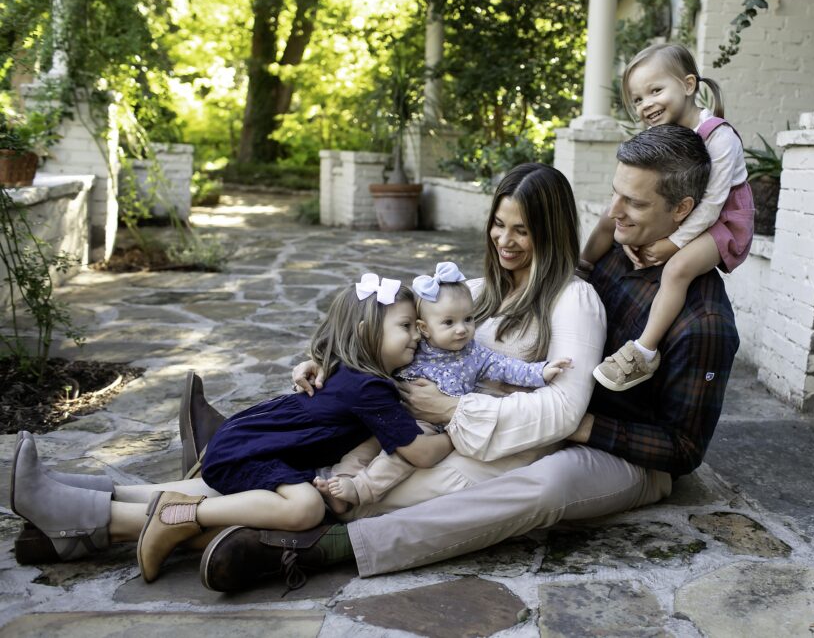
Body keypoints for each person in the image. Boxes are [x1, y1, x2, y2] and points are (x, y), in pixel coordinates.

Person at [199, 124, 739, 591]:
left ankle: (323, 539)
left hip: (618, 449)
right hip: (537, 416)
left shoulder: (702, 323)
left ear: (682, 210)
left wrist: (562, 426)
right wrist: (327, 356)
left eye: (634, 203)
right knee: (391, 414)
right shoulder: (621, 249)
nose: (614, 213)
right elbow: (439, 311)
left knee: (528, 482)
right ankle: (259, 451)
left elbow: (684, 448)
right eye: (616, 195)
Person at [8, 275, 453, 584]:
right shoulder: (372, 387)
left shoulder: (353, 369)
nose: (416, 335)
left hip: (250, 441)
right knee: (304, 508)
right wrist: (457, 430)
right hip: (257, 448)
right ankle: (177, 516)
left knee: (227, 496)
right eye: (404, 327)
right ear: (365, 333)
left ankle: (70, 494)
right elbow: (417, 453)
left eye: (417, 326)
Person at [317, 260, 572, 514]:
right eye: (449, 323)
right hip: (394, 415)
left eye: (468, 319)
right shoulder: (415, 347)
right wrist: (318, 363)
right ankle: (339, 480)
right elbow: (378, 349)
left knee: (398, 459)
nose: (462, 330)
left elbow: (508, 367)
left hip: (428, 424)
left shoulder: (476, 355)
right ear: (424, 328)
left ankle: (361, 490)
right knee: (366, 446)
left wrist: (540, 372)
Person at [582, 43, 754, 392]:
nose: (647, 105)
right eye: (638, 99)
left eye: (656, 91)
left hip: (725, 221)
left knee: (677, 270)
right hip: (690, 211)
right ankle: (580, 268)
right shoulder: (666, 132)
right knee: (606, 218)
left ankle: (643, 352)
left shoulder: (719, 137)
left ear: (688, 85)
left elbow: (710, 205)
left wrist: (670, 244)